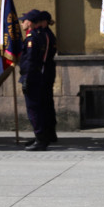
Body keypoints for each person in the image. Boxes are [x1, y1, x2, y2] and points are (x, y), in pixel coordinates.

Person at [19, 9, 49, 151]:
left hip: (32, 77)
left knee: (33, 109)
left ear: (29, 22)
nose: (22, 23)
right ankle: (40, 137)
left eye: (24, 20)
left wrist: (26, 79)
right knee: (37, 108)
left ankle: (40, 139)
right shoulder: (39, 35)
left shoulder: (32, 38)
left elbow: (30, 61)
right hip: (37, 76)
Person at [38, 11, 58, 143]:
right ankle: (49, 133)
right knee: (46, 103)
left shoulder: (45, 35)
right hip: (47, 71)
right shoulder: (46, 34)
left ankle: (47, 133)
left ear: (44, 22)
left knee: (44, 103)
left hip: (45, 71)